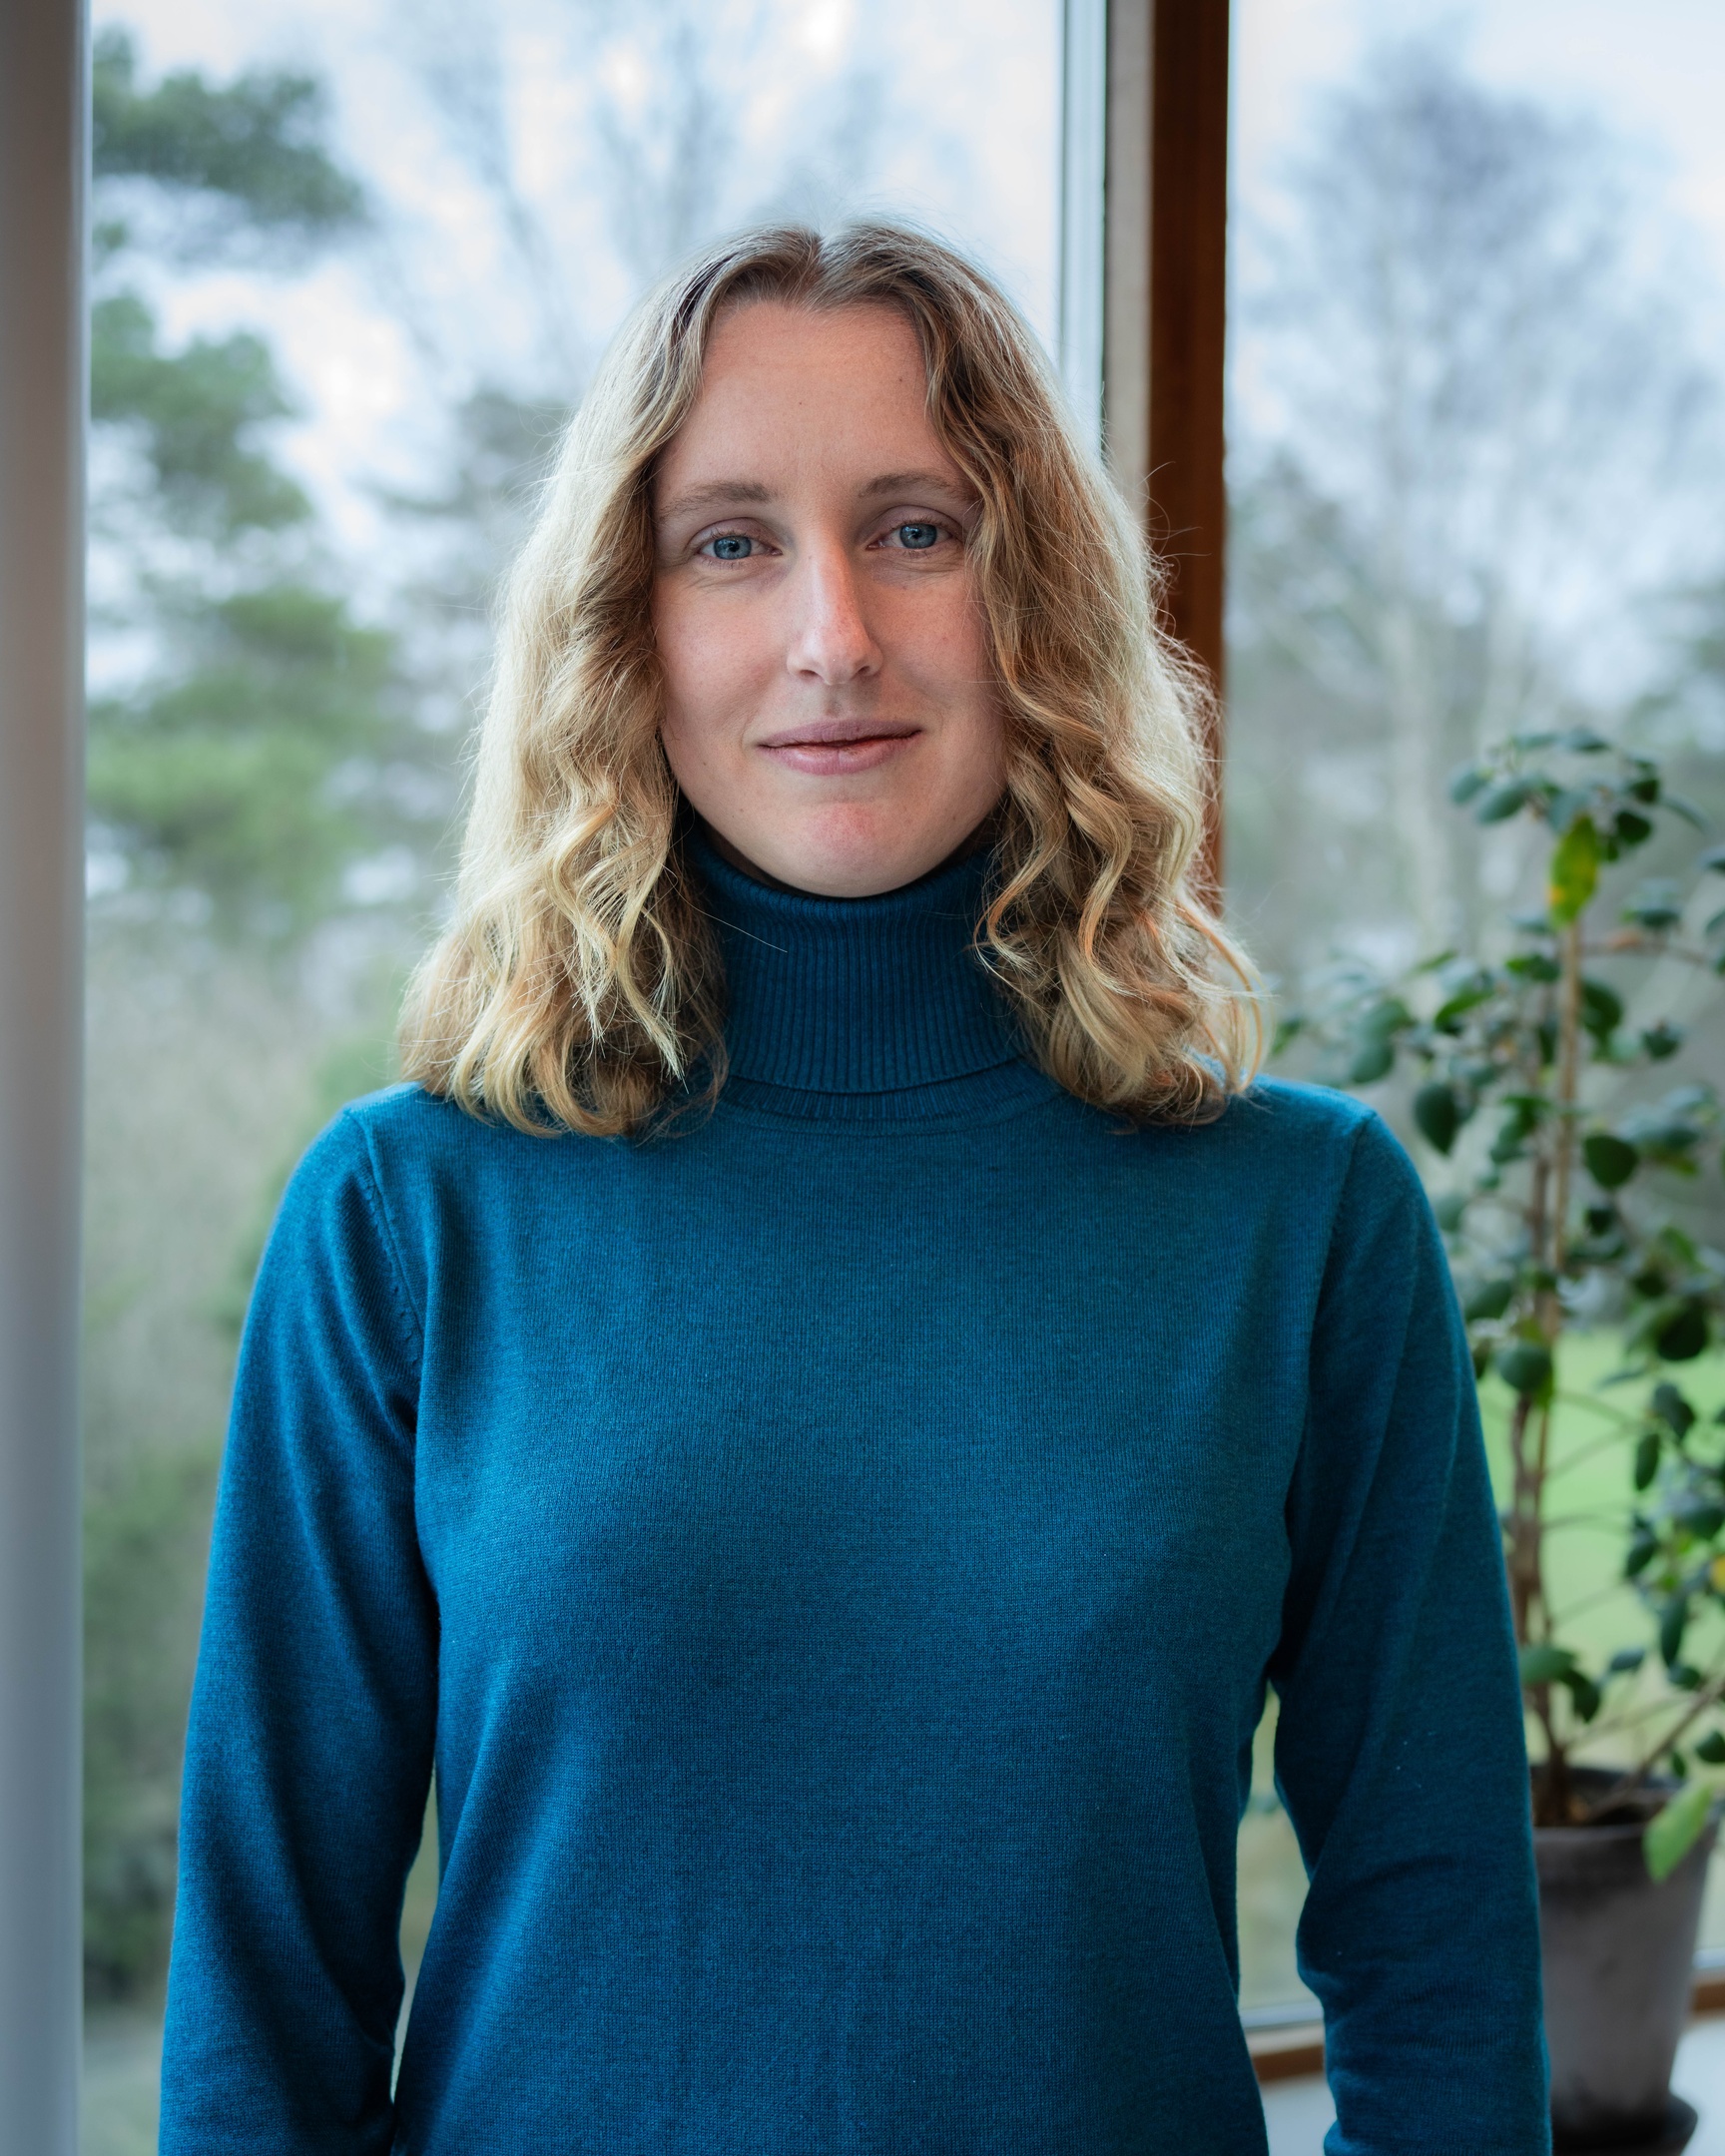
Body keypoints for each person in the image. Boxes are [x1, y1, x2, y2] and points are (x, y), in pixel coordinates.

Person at [160, 222, 1546, 2153]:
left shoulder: (1300, 1222)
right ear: (627, 625)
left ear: (1034, 594)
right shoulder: (409, 1218)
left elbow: (1442, 1961)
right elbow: (264, 2001)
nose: (834, 635)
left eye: (916, 528)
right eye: (731, 542)